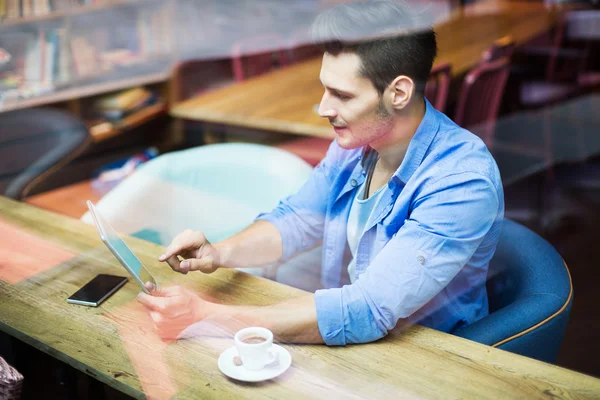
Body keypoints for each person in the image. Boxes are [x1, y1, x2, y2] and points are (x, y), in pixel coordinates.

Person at [137, 0, 504, 345]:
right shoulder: (358, 144)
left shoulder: (461, 180)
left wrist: (209, 318)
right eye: (324, 89)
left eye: (342, 96)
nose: (323, 108)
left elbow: (366, 309)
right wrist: (219, 252)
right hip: (366, 339)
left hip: (429, 357)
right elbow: (298, 219)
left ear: (399, 93)